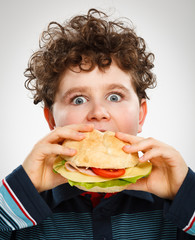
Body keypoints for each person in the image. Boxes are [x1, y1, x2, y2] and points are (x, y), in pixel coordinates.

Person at [0, 8, 195, 240]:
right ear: (52, 120)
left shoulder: (175, 203)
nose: (98, 113)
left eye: (114, 97)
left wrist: (186, 193)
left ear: (141, 115)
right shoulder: (23, 203)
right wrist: (20, 190)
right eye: (78, 99)